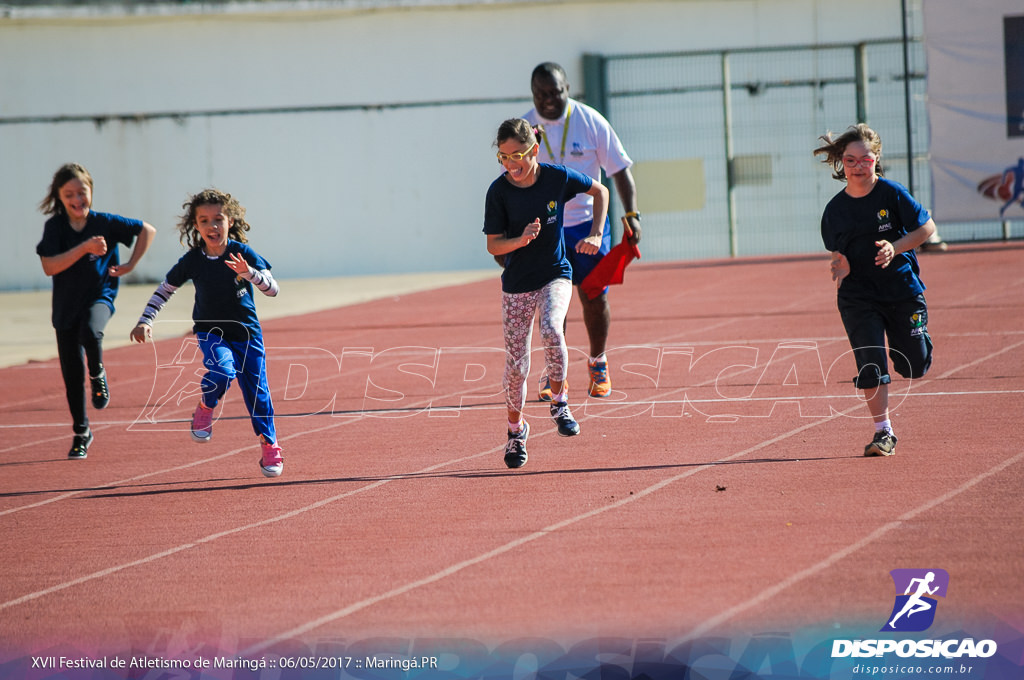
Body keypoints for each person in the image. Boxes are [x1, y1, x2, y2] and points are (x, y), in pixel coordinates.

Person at [129, 189, 284, 478]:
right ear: (195, 226)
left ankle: (269, 445)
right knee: (223, 372)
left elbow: (273, 290)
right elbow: (166, 289)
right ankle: (206, 405)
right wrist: (145, 320)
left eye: (218, 219)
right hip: (210, 332)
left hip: (247, 334)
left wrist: (249, 272)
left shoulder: (243, 254)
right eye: (204, 221)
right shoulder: (193, 260)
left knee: (258, 395)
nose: (212, 226)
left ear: (230, 221)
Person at [484, 118, 609, 468]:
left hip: (555, 274)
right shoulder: (498, 192)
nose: (512, 164)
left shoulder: (557, 177)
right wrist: (520, 240)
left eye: (518, 155)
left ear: (534, 150)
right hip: (517, 285)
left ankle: (560, 402)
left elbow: (601, 191)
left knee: (553, 329)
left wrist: (597, 233)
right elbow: (493, 246)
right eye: (504, 157)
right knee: (517, 367)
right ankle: (515, 432)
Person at [814, 124, 937, 457]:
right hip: (857, 297)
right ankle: (883, 433)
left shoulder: (892, 194)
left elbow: (926, 228)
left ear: (876, 158)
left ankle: (917, 337)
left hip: (901, 289)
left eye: (864, 159)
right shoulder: (835, 210)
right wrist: (840, 265)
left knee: (914, 365)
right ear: (841, 163)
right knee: (871, 362)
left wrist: (895, 248)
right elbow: (836, 254)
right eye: (850, 160)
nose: (857, 166)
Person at [524, 61, 641, 400]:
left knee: (593, 296)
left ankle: (598, 362)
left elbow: (619, 171)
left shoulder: (590, 122)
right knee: (552, 304)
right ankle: (554, 370)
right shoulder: (525, 126)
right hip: (548, 228)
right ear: (532, 94)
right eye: (540, 94)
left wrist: (632, 214)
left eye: (555, 92)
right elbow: (512, 177)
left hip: (590, 224)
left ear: (567, 89)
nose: (547, 100)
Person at [36, 163, 156, 460]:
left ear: (91, 191)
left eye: (82, 192)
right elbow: (49, 266)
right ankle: (81, 433)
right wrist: (84, 248)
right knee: (71, 376)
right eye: (69, 195)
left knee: (92, 331)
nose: (77, 199)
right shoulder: (55, 227)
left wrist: (130, 265)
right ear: (60, 197)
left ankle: (98, 372)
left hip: (100, 297)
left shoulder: (104, 222)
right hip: (65, 308)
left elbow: (146, 230)